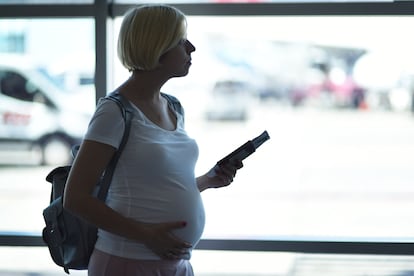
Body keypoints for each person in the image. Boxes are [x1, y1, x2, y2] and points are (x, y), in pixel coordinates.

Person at [63, 4, 243, 276]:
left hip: (176, 263)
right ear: (157, 47)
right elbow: (75, 198)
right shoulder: (114, 112)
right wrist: (147, 235)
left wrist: (207, 180)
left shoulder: (174, 107)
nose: (191, 48)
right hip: (127, 263)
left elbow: (155, 187)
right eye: (181, 41)